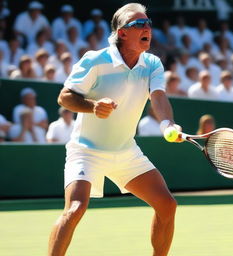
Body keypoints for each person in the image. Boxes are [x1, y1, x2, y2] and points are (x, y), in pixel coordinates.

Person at [48, 3, 183, 256]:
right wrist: (93, 106)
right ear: (122, 33)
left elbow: (159, 97)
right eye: (138, 24)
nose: (147, 28)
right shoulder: (95, 59)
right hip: (86, 151)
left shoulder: (152, 63)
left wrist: (167, 123)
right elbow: (65, 97)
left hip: (126, 151)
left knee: (167, 205)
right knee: (75, 209)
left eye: (148, 23)